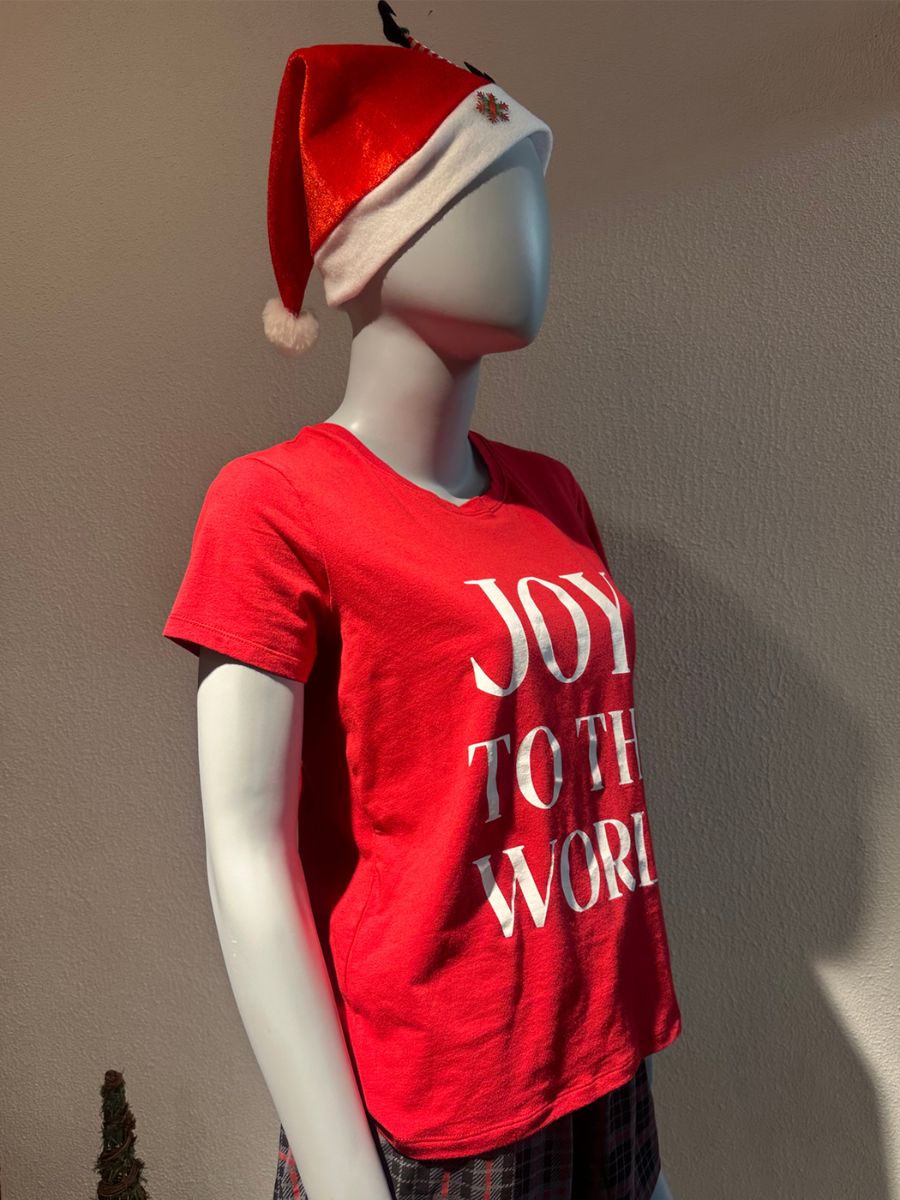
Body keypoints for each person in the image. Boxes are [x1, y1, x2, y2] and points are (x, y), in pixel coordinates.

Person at [162, 13, 683, 1200]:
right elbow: (248, 857)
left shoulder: (550, 495)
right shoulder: (275, 507)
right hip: (439, 1117)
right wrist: (348, 1178)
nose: (535, 232)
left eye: (537, 195)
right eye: (489, 196)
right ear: (373, 242)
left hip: (601, 1056)